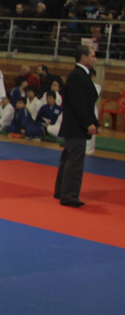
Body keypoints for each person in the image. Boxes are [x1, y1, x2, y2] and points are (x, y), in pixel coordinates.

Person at [54, 45, 99, 207]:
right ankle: (69, 196)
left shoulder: (81, 75)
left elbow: (87, 103)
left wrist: (94, 122)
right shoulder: (77, 76)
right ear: (83, 58)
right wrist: (88, 123)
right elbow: (78, 104)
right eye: (93, 56)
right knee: (75, 161)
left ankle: (61, 191)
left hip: (74, 124)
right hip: (76, 126)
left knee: (68, 158)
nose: (95, 59)